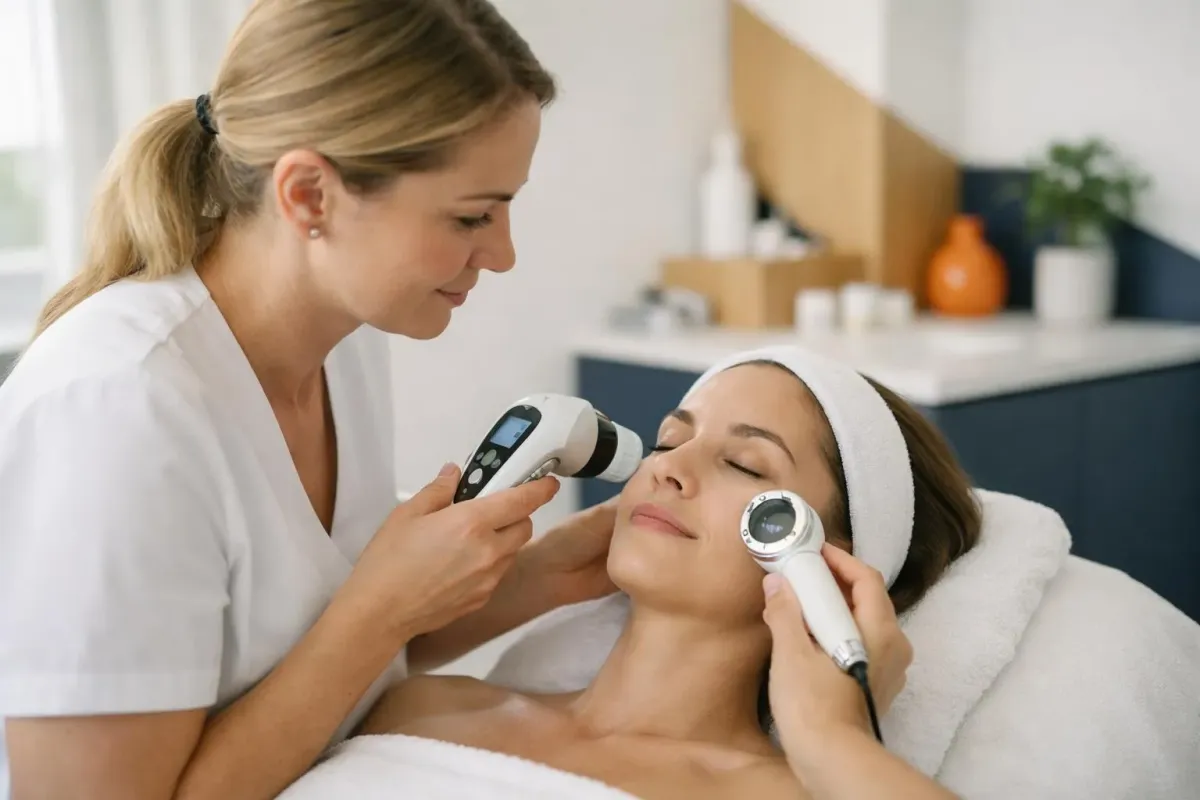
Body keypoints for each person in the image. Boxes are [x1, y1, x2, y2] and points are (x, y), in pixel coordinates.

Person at [0, 2, 620, 798]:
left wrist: (549, 575)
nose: (501, 254)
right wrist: (381, 611)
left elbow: (304, 650)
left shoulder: (348, 343)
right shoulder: (118, 415)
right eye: (472, 215)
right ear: (309, 196)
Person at [341, 355, 981, 799]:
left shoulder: (789, 792)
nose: (666, 470)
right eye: (670, 440)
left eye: (744, 464)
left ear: (832, 564)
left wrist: (835, 740)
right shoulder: (421, 702)